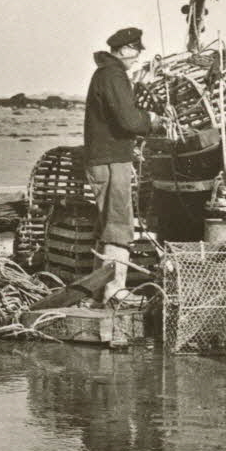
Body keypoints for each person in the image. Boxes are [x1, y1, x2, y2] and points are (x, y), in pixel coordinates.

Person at [83, 26, 160, 306]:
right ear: (125, 50)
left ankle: (95, 292)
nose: (138, 56)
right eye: (137, 51)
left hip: (103, 158)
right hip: (112, 160)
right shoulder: (113, 75)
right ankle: (115, 291)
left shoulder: (103, 74)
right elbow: (128, 121)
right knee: (119, 225)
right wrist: (151, 121)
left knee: (107, 225)